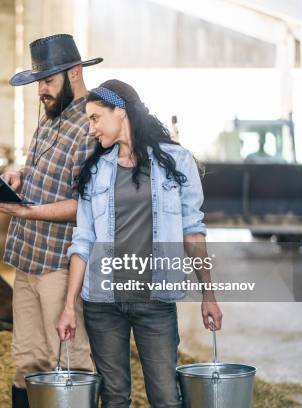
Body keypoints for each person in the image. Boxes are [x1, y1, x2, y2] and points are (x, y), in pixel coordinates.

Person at [56, 79, 223, 408]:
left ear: (120, 112)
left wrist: (208, 294)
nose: (91, 129)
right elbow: (83, 240)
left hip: (155, 301)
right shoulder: (96, 171)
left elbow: (192, 231)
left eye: (94, 118)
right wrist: (67, 307)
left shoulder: (175, 162)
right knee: (115, 397)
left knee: (164, 397)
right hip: (102, 304)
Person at [0, 34, 100, 408]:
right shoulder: (50, 119)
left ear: (75, 73)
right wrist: (19, 176)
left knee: (68, 356)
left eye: (48, 81)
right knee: (27, 358)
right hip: (26, 256)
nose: (41, 91)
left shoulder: (91, 124)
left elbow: (87, 204)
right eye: (38, 83)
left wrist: (29, 210)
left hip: (60, 262)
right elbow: (42, 172)